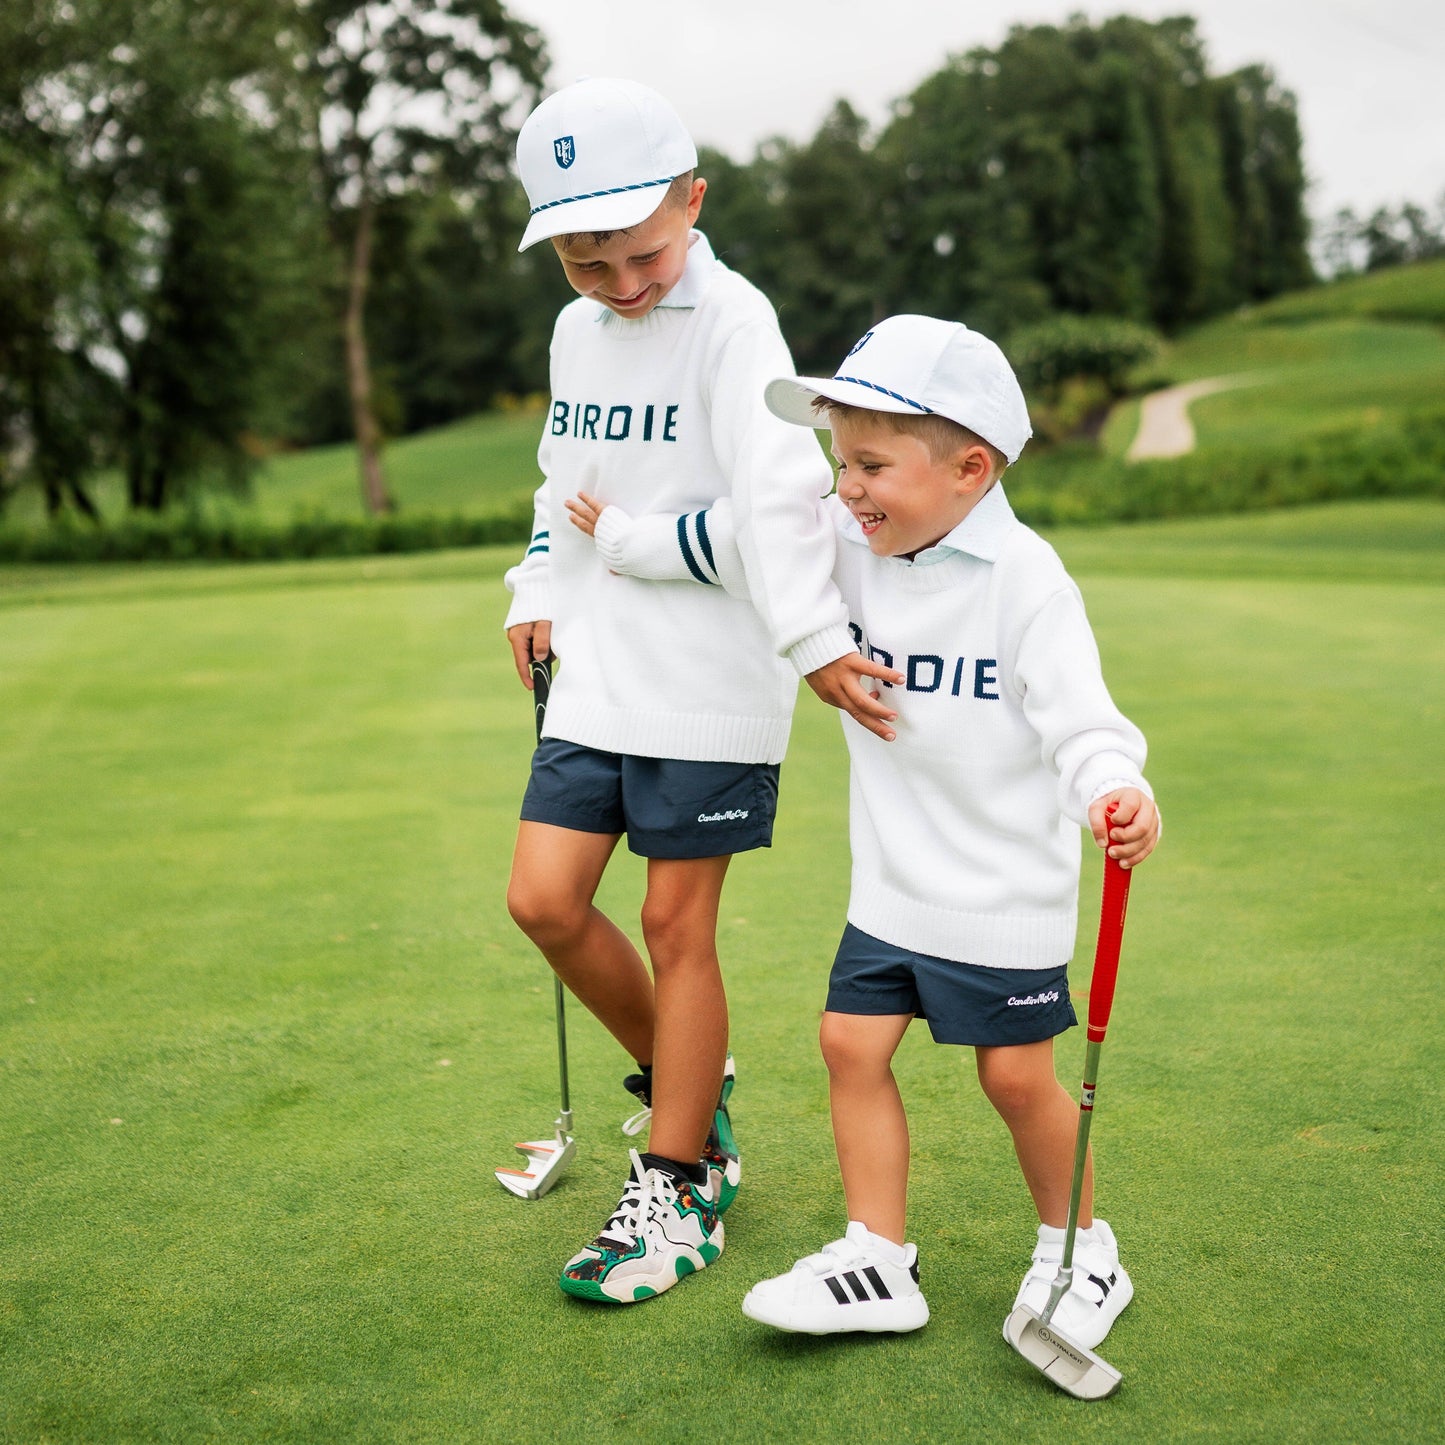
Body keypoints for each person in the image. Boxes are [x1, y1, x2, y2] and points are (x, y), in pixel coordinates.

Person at [565, 313, 1160, 1344]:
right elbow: (744, 542)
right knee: (848, 1044)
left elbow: (1082, 723)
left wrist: (1114, 787)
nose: (845, 487)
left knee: (1015, 1077)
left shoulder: (1026, 580)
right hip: (891, 881)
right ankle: (876, 1255)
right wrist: (622, 541)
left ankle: (1079, 1249)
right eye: (841, 461)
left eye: (872, 465)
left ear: (970, 469)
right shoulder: (850, 540)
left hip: (1002, 891)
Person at [501, 77, 896, 1305]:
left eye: (641, 252)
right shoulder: (575, 332)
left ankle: (680, 1181)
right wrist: (534, 586)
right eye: (585, 261)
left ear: (691, 200)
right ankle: (692, 1080)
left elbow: (781, 504)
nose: (620, 282)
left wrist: (812, 638)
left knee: (676, 925)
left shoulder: (735, 322)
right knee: (542, 898)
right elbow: (560, 478)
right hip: (599, 658)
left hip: (714, 668)